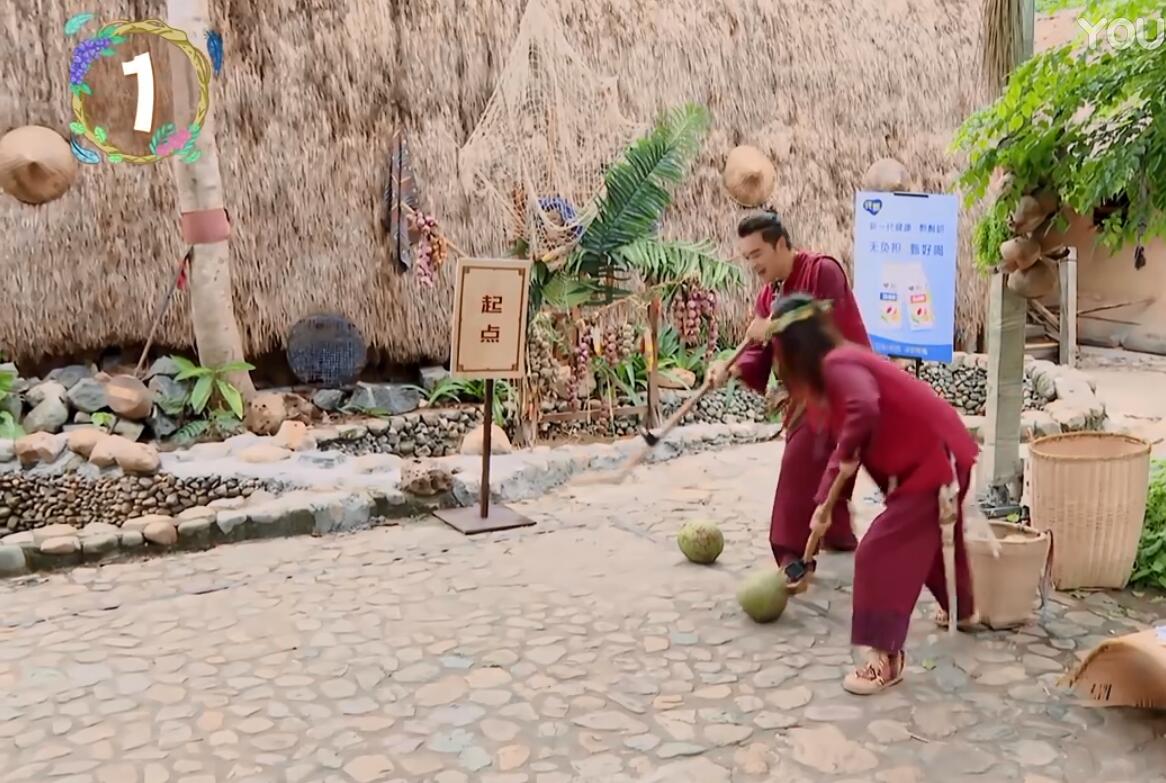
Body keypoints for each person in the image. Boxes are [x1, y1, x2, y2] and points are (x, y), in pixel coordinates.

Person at [767, 293, 979, 695]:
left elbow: (864, 409)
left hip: (933, 463)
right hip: (939, 454)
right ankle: (963, 609)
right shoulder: (840, 365)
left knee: (877, 553)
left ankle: (886, 657)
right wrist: (823, 504)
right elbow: (840, 445)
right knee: (931, 543)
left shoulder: (838, 365)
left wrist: (845, 459)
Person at [709, 212, 871, 573]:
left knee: (808, 464)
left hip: (846, 382)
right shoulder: (768, 295)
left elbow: (819, 319)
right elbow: (757, 352)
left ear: (780, 244)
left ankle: (795, 551)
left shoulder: (823, 270)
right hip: (809, 391)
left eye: (757, 254)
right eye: (747, 257)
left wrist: (772, 324)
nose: (753, 264)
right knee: (819, 464)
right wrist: (730, 369)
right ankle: (827, 536)